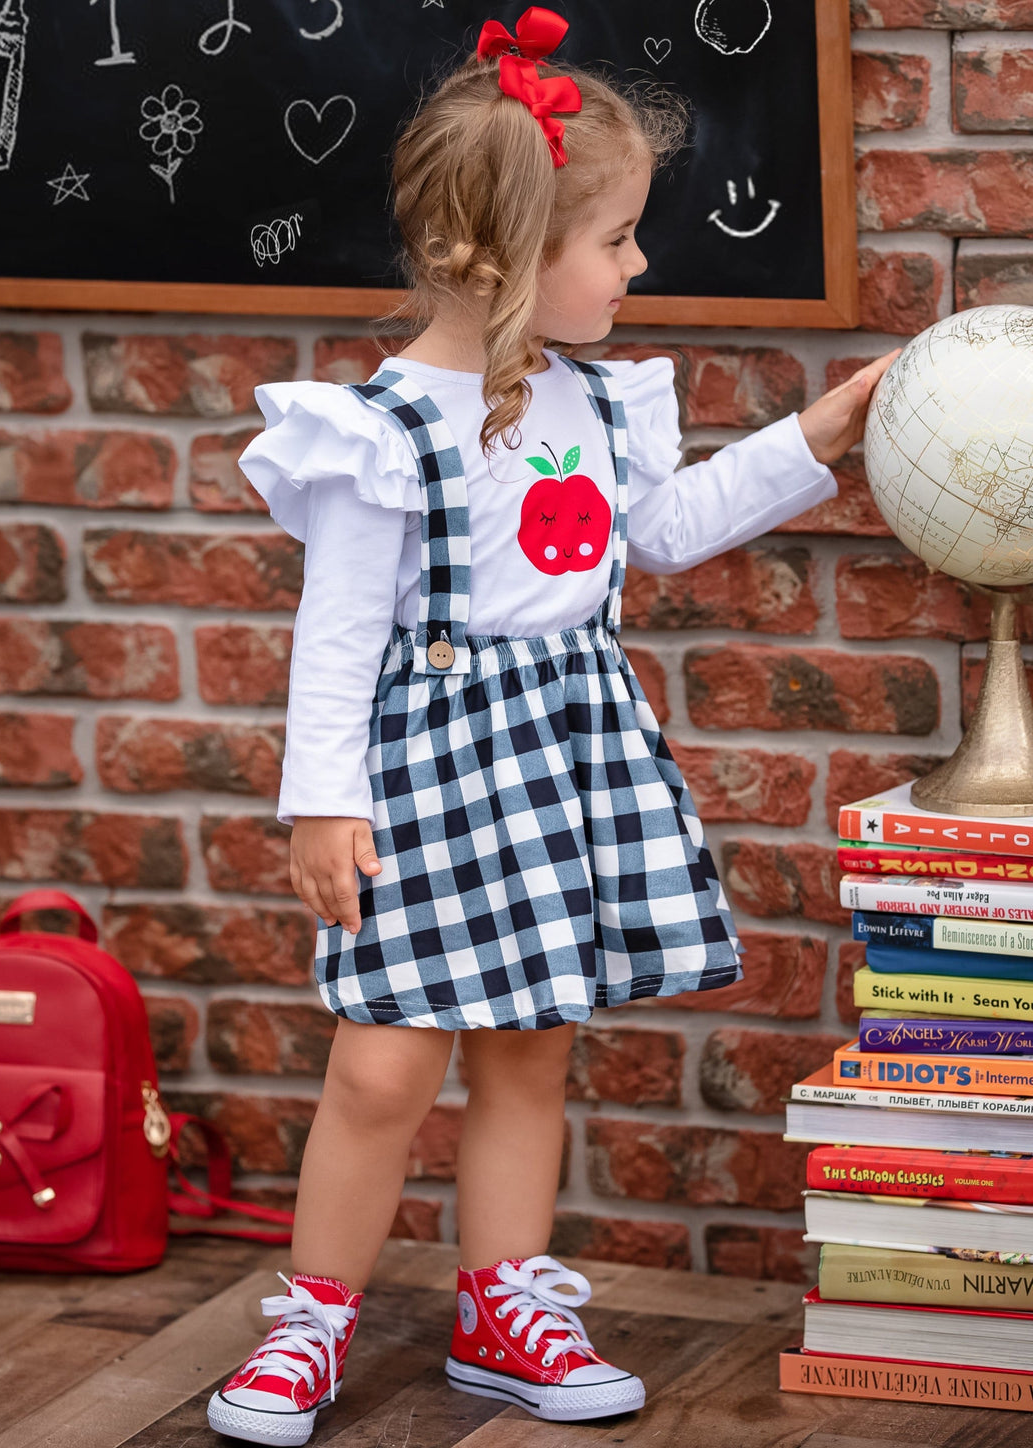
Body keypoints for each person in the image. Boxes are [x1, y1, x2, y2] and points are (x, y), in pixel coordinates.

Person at [207, 9, 896, 1444]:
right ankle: (313, 1321)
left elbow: (662, 531)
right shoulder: (379, 434)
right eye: (619, 240)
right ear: (513, 255)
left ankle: (503, 1305)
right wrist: (320, 805)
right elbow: (333, 641)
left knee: (532, 1042)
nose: (639, 268)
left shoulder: (597, 399)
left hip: (563, 750)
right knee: (387, 1057)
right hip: (424, 768)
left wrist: (810, 441)